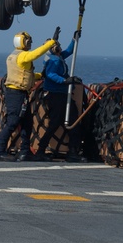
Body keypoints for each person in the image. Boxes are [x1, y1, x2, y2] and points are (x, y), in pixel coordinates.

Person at [0, 30, 58, 161]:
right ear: (24, 42)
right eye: (29, 41)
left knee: (27, 123)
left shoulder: (13, 55)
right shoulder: (22, 56)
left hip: (19, 94)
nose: (31, 44)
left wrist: (40, 75)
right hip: (16, 94)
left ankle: (25, 151)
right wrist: (51, 42)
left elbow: (24, 74)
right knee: (13, 122)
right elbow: (35, 54)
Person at [31, 29, 85, 162]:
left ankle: (73, 152)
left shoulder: (58, 57)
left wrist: (74, 39)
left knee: (73, 121)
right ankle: (41, 150)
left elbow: (69, 51)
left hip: (64, 95)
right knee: (55, 123)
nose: (59, 47)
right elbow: (50, 75)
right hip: (55, 95)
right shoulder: (53, 60)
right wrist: (65, 80)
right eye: (57, 45)